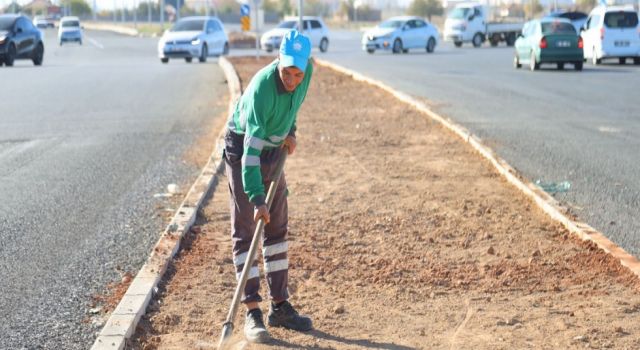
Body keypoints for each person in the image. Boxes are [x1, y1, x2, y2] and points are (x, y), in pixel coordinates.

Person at [223, 30, 314, 343]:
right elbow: (250, 155)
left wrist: (292, 132)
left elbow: (294, 106)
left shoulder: (307, 73)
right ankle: (252, 312)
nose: (292, 79)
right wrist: (257, 198)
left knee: (276, 228)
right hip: (243, 148)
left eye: (297, 73)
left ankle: (280, 307)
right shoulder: (263, 90)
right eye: (286, 72)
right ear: (278, 61)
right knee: (247, 229)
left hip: (275, 148)